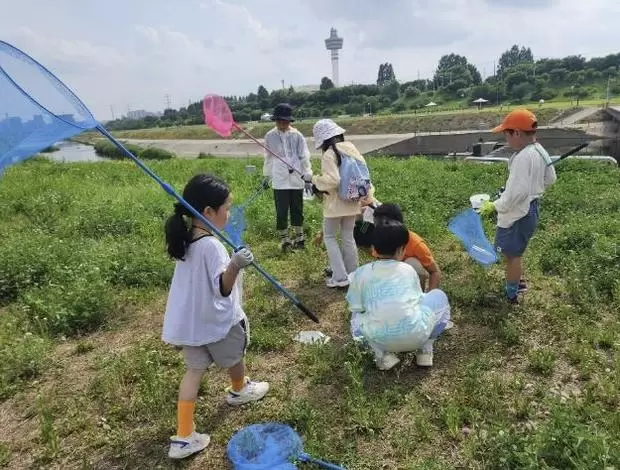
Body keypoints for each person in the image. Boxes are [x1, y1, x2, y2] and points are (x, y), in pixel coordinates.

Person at [162, 174, 270, 459]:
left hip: (192, 324)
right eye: (227, 207)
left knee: (193, 371)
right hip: (216, 319)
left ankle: (183, 436)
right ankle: (239, 388)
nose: (230, 212)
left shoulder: (187, 240)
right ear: (208, 212)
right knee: (235, 352)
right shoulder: (211, 245)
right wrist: (235, 264)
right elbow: (222, 288)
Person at [346, 221, 451, 370]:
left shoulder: (361, 273)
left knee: (355, 315)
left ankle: (382, 355)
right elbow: (418, 301)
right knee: (438, 295)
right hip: (417, 337)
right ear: (402, 250)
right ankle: (425, 349)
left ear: (374, 249)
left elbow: (356, 306)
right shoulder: (408, 269)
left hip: (378, 339)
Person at [480, 108, 557, 304]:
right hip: (531, 208)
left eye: (506, 134)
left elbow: (516, 194)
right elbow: (551, 178)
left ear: (516, 133)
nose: (506, 140)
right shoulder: (540, 150)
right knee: (512, 251)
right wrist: (535, 188)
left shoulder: (523, 157)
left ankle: (511, 294)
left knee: (512, 255)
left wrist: (495, 205)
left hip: (518, 213)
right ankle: (518, 282)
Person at [309, 118, 374, 288]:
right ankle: (352, 274)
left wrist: (314, 179)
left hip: (335, 204)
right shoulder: (351, 148)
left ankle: (339, 277)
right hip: (353, 201)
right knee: (348, 237)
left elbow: (332, 181)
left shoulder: (330, 154)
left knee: (329, 237)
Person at [263, 103, 312, 252]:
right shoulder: (270, 136)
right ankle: (284, 239)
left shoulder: (297, 135)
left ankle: (299, 237)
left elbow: (304, 156)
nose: (282, 123)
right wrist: (267, 176)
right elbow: (268, 157)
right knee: (281, 210)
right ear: (275, 120)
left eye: (285, 121)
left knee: (297, 209)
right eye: (279, 121)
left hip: (296, 176)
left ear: (290, 121)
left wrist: (308, 175)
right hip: (279, 178)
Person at [371, 203, 443, 292]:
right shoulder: (379, 240)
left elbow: (435, 271)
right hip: (392, 276)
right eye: (376, 224)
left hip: (410, 272)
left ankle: (417, 294)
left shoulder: (416, 244)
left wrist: (431, 296)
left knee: (413, 264)